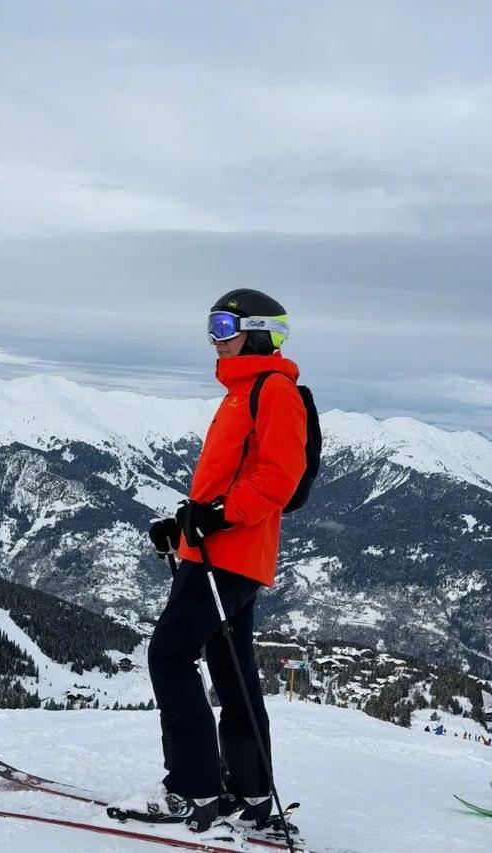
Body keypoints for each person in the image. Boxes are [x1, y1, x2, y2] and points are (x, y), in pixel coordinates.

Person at [134, 288, 308, 832]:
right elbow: (226, 484)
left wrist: (218, 519)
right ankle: (252, 797)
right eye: (211, 325)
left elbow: (278, 479)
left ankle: (194, 790)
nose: (215, 338)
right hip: (217, 549)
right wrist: (184, 525)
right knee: (230, 670)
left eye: (224, 324)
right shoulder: (242, 392)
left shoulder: (273, 390)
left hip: (227, 555)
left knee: (169, 655)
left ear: (257, 331)